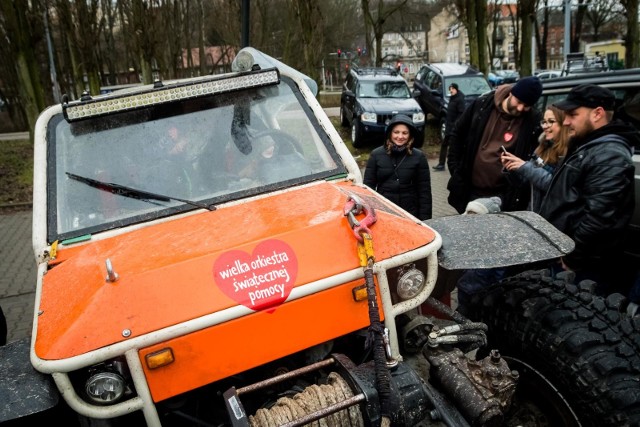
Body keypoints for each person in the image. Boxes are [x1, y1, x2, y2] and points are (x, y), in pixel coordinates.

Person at [538, 84, 639, 297]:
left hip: (581, 267)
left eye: (573, 115)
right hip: (569, 257)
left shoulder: (609, 154)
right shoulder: (591, 145)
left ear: (598, 113)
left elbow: (599, 218)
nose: (565, 122)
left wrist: (573, 257)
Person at [446, 76, 543, 214]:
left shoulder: (532, 121)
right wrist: (455, 170)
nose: (521, 108)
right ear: (511, 93)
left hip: (503, 196)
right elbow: (457, 133)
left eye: (527, 105)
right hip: (470, 190)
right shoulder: (482, 105)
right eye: (519, 101)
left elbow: (535, 155)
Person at [500, 105, 570, 212]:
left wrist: (525, 167)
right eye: (544, 122)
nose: (545, 126)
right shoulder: (542, 147)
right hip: (534, 211)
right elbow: (526, 183)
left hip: (553, 215)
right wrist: (513, 167)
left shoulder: (569, 152)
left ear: (563, 124)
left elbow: (555, 186)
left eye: (551, 121)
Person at [364, 114, 432, 220]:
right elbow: (368, 189)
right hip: (383, 211)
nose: (400, 137)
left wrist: (426, 220)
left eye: (405, 133)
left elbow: (424, 192)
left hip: (410, 213)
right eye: (396, 132)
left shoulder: (419, 156)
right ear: (390, 133)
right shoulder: (376, 155)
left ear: (410, 135)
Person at [433, 83, 465, 171]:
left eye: (452, 89)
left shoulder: (459, 99)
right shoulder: (452, 98)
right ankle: (441, 164)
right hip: (448, 127)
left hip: (454, 129)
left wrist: (455, 125)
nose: (451, 90)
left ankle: (455, 164)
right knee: (444, 145)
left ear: (456, 89)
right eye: (450, 89)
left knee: (452, 148)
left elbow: (461, 114)